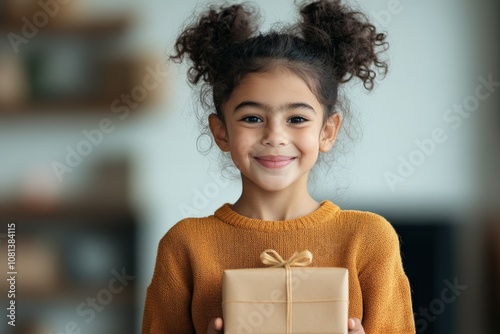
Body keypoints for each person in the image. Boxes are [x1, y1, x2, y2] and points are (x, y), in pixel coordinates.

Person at [142, 0, 415, 333]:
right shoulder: (184, 245)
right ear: (222, 132)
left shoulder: (369, 240)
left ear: (327, 132)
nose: (275, 136)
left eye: (297, 118)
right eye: (252, 118)